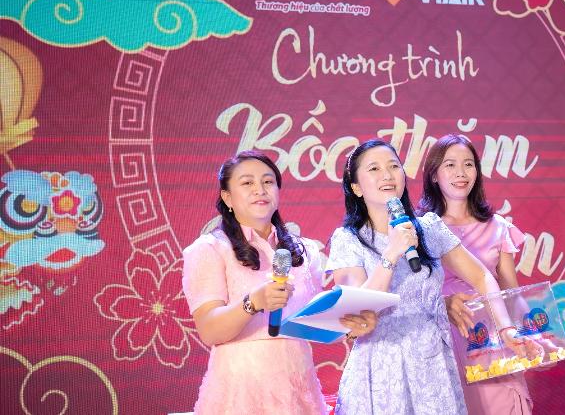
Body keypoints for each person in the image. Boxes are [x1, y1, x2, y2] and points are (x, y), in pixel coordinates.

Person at [325, 139, 521, 415]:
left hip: (433, 367)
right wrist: (391, 253)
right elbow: (358, 311)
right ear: (356, 187)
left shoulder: (429, 227)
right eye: (374, 169)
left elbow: (481, 276)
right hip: (381, 370)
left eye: (394, 166)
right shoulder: (348, 239)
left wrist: (505, 327)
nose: (387, 175)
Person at [182, 150, 376, 415]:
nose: (259, 190)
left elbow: (313, 323)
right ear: (227, 197)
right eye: (247, 183)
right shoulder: (211, 249)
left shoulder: (304, 251)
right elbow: (210, 331)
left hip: (298, 389)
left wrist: (349, 325)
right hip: (241, 391)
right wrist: (253, 302)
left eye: (268, 181)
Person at [419, 134, 533, 415]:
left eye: (468, 164)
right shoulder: (420, 229)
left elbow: (511, 292)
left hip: (493, 341)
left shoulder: (498, 227)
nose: (461, 173)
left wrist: (536, 333)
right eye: (450, 165)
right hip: (442, 341)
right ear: (433, 175)